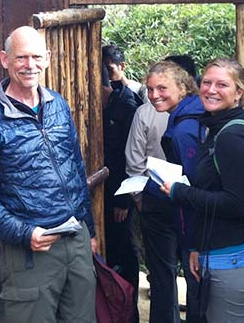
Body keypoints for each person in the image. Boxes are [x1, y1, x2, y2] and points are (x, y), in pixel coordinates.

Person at [0, 26, 96, 323]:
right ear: (4, 60)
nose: (30, 65)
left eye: (36, 56)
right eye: (21, 57)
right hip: (30, 249)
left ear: (47, 58)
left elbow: (75, 168)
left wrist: (90, 230)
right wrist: (24, 233)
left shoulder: (58, 105)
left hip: (75, 239)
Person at [160, 58, 244, 322]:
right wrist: (197, 246)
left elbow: (236, 203)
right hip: (217, 254)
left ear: (238, 92)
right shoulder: (216, 129)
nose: (211, 90)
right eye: (206, 83)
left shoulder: (232, 137)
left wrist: (179, 192)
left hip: (233, 260)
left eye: (222, 84)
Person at [139, 59, 204, 323]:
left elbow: (195, 184)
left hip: (196, 222)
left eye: (162, 89)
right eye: (150, 89)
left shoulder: (184, 129)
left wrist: (194, 244)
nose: (154, 96)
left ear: (183, 87)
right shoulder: (188, 114)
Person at [102, 62, 142, 321]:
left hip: (121, 196)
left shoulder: (127, 106)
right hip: (106, 192)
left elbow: (129, 159)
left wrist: (125, 201)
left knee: (124, 249)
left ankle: (129, 311)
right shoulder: (110, 105)